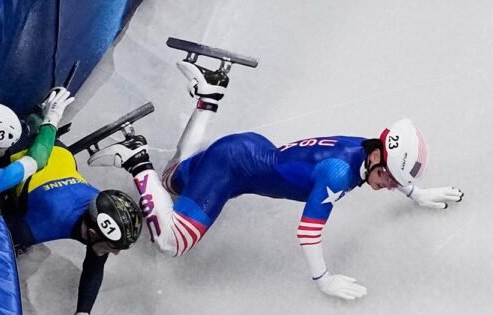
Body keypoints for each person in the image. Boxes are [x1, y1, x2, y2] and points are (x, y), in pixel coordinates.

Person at [87, 60, 464, 301]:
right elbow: (308, 233)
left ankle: (209, 95)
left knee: (173, 182)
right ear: (378, 156)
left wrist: (416, 193)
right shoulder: (338, 174)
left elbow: (391, 171)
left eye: (394, 184)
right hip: (233, 168)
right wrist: (323, 279)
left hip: (246, 153)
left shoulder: (364, 148)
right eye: (389, 180)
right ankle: (135, 156)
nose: (387, 187)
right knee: (172, 242)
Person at [0, 90, 144, 315]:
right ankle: (38, 119)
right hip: (22, 157)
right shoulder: (46, 222)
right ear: (92, 231)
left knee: (45, 138)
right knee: (9, 239)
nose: (115, 252)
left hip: (57, 153)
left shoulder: (98, 221)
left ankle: (39, 116)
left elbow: (94, 267)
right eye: (112, 245)